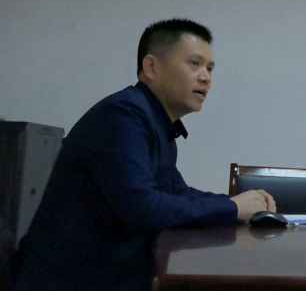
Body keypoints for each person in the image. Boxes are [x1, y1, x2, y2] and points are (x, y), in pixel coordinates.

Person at [14, 19, 275, 291]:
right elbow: (142, 209)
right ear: (151, 67)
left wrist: (238, 202)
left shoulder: (156, 122)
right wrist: (233, 208)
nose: (206, 77)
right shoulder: (121, 116)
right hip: (69, 281)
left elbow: (176, 193)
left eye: (209, 68)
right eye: (194, 64)